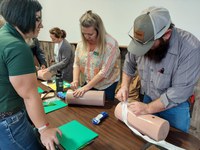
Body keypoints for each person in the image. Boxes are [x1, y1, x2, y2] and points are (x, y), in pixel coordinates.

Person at [116, 6, 200, 132]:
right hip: (148, 98)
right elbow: (129, 64)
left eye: (148, 46)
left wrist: (148, 109)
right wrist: (124, 86)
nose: (143, 51)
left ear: (166, 35)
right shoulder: (141, 39)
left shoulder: (190, 48)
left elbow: (179, 91)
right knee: (146, 136)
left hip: (175, 108)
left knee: (174, 142)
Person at [0, 0, 61, 150]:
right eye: (37, 19)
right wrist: (44, 129)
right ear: (23, 17)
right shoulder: (16, 46)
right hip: (10, 121)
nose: (41, 25)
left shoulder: (4, 36)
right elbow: (29, 95)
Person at [71, 10, 120, 101]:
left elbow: (104, 71)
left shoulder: (110, 45)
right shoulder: (81, 44)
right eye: (84, 33)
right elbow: (77, 63)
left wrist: (86, 87)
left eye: (90, 34)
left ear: (99, 31)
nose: (86, 37)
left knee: (105, 108)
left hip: (106, 85)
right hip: (89, 82)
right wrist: (75, 80)